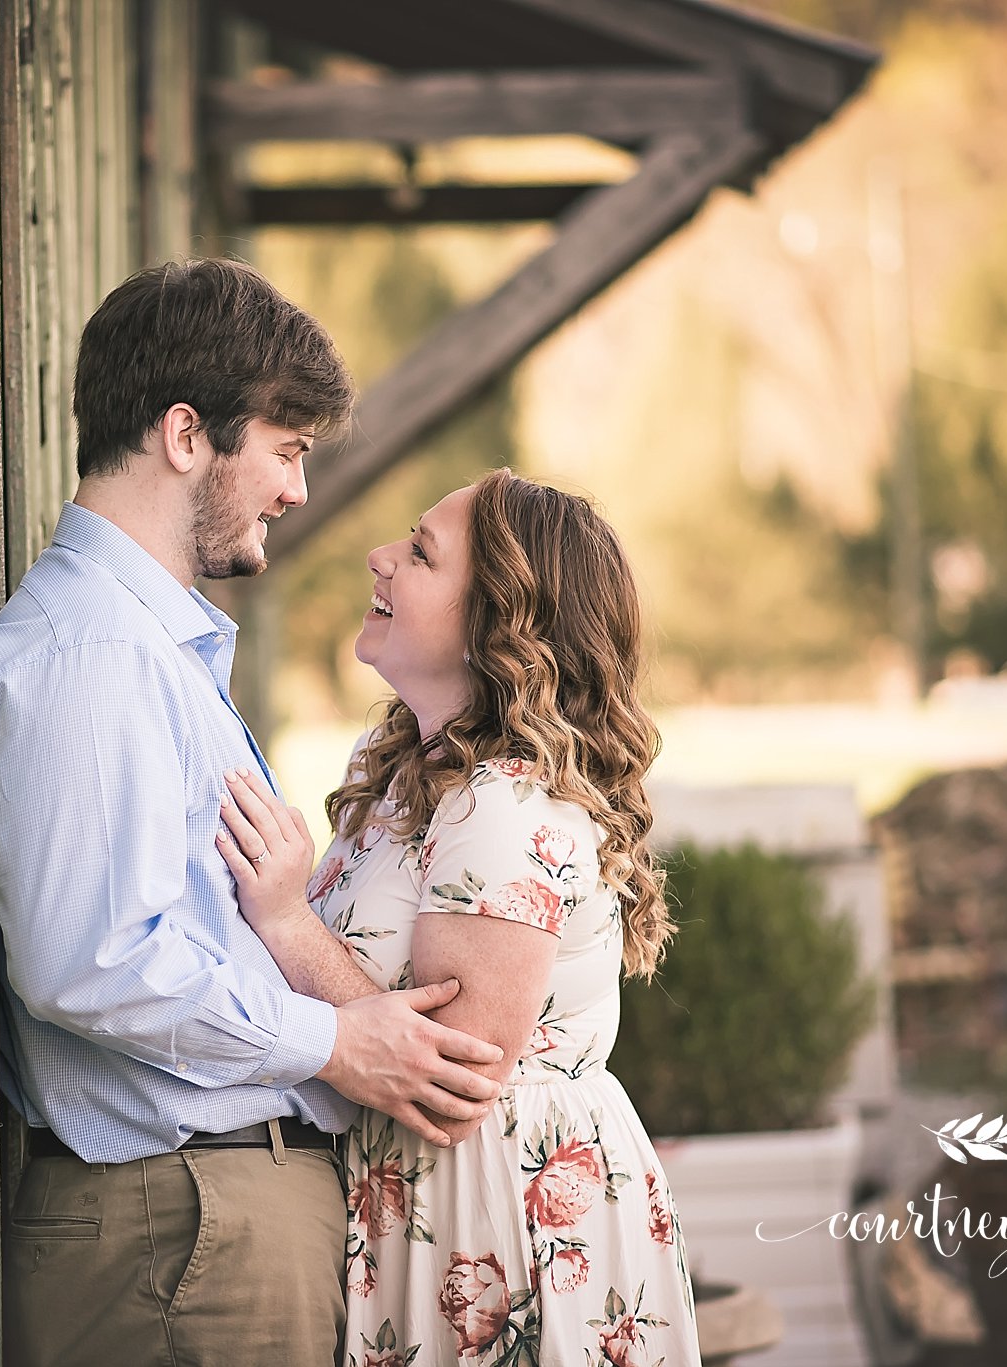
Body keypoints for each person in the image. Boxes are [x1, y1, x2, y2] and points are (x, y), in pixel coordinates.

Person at [0, 257, 508, 1367]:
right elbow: (90, 958)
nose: (296, 491)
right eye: (284, 449)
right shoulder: (94, 653)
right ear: (184, 435)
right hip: (178, 1236)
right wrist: (332, 1040)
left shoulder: (151, 648)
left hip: (201, 1231)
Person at [216, 470, 704, 1367]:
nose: (380, 557)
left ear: (496, 625)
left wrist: (287, 920)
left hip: (497, 1221)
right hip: (432, 1208)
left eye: (420, 553)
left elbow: (449, 1073)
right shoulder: (403, 764)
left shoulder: (506, 803)